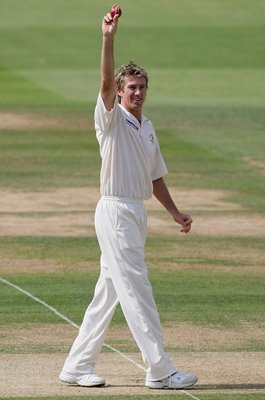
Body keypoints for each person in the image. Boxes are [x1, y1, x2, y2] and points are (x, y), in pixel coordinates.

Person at [59, 6, 198, 390]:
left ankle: (76, 366)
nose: (137, 93)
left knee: (110, 293)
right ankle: (160, 369)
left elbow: (154, 176)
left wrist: (174, 212)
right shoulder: (111, 118)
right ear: (119, 93)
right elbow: (104, 80)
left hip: (137, 213)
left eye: (141, 88)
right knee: (137, 288)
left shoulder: (146, 126)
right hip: (115, 210)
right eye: (130, 88)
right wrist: (108, 39)